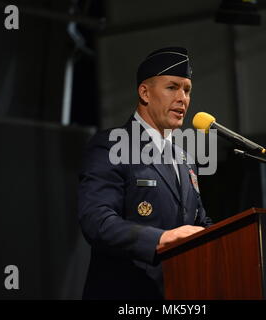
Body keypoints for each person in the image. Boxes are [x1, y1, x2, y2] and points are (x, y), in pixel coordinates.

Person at [78, 46, 213, 300]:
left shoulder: (186, 160)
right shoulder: (112, 145)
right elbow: (97, 221)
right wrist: (161, 239)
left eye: (187, 90)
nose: (182, 98)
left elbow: (199, 223)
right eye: (172, 87)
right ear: (145, 92)